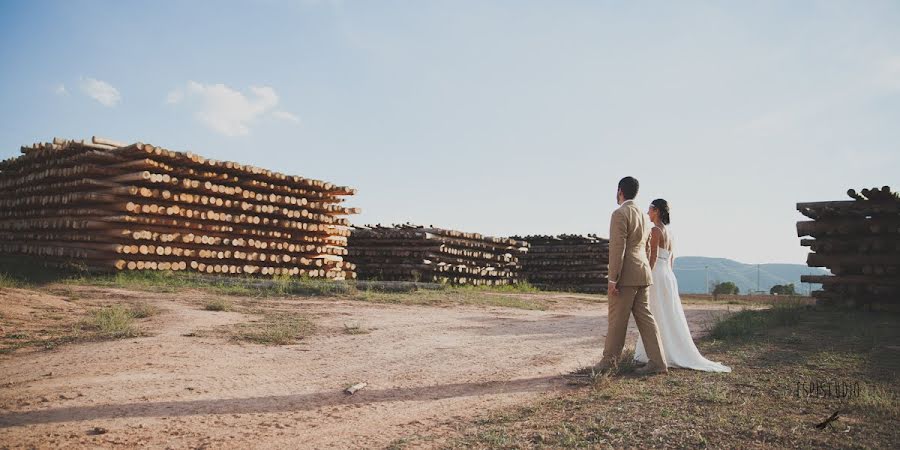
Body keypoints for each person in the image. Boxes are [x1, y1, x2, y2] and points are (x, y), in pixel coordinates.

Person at [633, 199, 732, 372]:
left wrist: (645, 274)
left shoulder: (655, 230)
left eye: (649, 209)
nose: (647, 212)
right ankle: (662, 351)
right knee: (667, 313)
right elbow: (671, 259)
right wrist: (667, 275)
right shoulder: (670, 233)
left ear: (656, 211)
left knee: (655, 313)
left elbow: (653, 256)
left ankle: (657, 354)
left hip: (657, 272)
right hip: (668, 275)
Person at [596, 177, 668, 375]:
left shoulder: (620, 213)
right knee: (646, 318)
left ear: (620, 191)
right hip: (642, 272)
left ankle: (609, 361)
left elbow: (618, 247)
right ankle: (658, 362)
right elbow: (645, 246)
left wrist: (613, 278)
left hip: (626, 276)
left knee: (617, 319)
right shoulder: (644, 217)